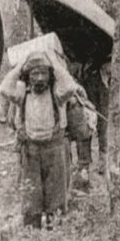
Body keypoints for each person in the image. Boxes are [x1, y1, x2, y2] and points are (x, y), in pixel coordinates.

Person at [14, 51, 71, 230]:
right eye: (34, 74)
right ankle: (32, 238)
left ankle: (55, 238)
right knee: (31, 198)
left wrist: (54, 61)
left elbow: (70, 86)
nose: (39, 78)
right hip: (30, 150)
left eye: (43, 73)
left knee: (56, 199)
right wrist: (20, 65)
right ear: (27, 77)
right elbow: (3, 90)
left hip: (53, 148)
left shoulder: (57, 93)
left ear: (50, 75)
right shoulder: (21, 94)